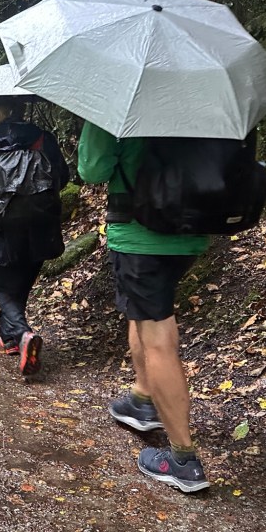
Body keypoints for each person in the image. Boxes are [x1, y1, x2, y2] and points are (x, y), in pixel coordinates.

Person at [78, 121, 210, 493]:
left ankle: (183, 460)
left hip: (142, 234)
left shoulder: (118, 103)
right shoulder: (196, 99)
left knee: (157, 336)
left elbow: (93, 169)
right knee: (143, 312)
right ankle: (142, 399)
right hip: (191, 228)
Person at [0, 100, 68, 376]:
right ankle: (10, 338)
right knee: (22, 279)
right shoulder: (43, 140)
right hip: (40, 226)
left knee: (2, 286)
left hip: (1, 227)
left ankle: (22, 334)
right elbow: (63, 177)